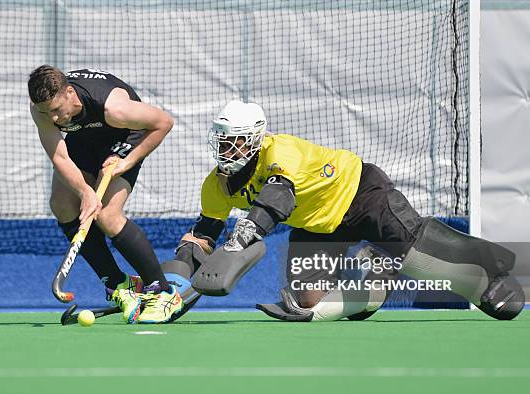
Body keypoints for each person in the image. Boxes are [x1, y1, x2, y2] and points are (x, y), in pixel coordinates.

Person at [175, 100, 525, 322]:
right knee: (309, 303)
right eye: (221, 141)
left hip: (361, 194)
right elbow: (204, 234)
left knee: (421, 254)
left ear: (254, 139)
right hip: (318, 226)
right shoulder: (215, 185)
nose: (226, 149)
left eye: (234, 141)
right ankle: (379, 280)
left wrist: (244, 235)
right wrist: (171, 282)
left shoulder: (280, 150)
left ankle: (492, 271)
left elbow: (279, 198)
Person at [28, 65, 182, 324]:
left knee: (107, 215)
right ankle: (119, 284)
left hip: (124, 135)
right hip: (86, 140)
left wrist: (127, 161)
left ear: (69, 92)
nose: (53, 118)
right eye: (47, 113)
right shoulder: (41, 109)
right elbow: (60, 157)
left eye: (56, 110)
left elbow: (163, 122)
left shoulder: (115, 108)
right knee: (62, 204)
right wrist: (85, 192)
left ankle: (163, 292)